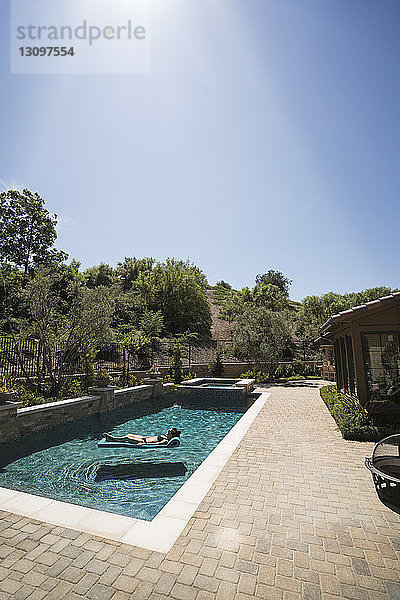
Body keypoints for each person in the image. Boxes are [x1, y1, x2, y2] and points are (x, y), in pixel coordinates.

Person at [103, 427, 181, 446]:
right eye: (168, 431)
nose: (167, 432)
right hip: (143, 438)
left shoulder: (166, 441)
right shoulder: (165, 437)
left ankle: (112, 439)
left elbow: (156, 444)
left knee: (127, 438)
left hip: (143, 441)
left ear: (172, 435)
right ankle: (112, 438)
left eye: (169, 432)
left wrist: (144, 444)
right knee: (129, 434)